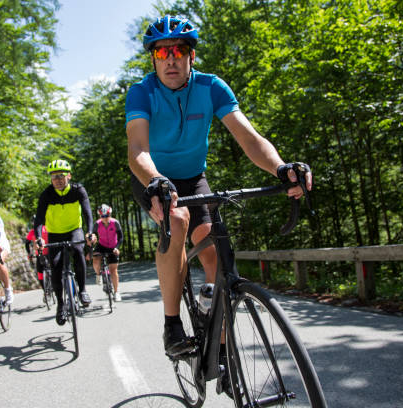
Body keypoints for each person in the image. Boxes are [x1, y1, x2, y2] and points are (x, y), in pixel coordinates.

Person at [126, 16, 313, 359]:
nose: (171, 58)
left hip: (194, 177)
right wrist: (156, 181)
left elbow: (249, 138)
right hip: (153, 178)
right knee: (178, 220)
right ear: (153, 58)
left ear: (191, 56)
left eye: (179, 50)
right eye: (162, 52)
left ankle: (223, 349)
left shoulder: (212, 87)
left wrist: (281, 167)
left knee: (217, 255)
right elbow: (138, 149)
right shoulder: (142, 92)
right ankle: (172, 324)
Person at [34, 159, 96, 325]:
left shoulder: (78, 190)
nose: (58, 180)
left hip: (74, 230)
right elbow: (39, 218)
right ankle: (60, 305)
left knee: (77, 250)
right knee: (55, 265)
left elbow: (87, 213)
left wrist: (90, 232)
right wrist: (39, 236)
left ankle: (82, 291)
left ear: (69, 176)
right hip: (54, 233)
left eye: (61, 176)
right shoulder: (47, 194)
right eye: (54, 177)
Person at [90, 204, 124, 301]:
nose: (105, 218)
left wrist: (117, 248)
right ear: (100, 216)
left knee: (113, 270)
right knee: (95, 259)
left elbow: (121, 237)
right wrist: (90, 249)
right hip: (101, 246)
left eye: (107, 215)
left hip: (113, 247)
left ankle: (116, 292)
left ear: (110, 214)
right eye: (103, 216)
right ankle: (98, 274)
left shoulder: (115, 223)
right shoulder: (97, 224)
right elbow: (91, 238)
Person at [25, 218, 48, 290]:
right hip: (43, 254)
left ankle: (45, 291)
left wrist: (29, 253)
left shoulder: (33, 231)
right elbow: (27, 243)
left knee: (40, 273)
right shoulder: (46, 228)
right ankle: (46, 291)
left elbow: (27, 243)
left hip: (43, 254)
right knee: (40, 273)